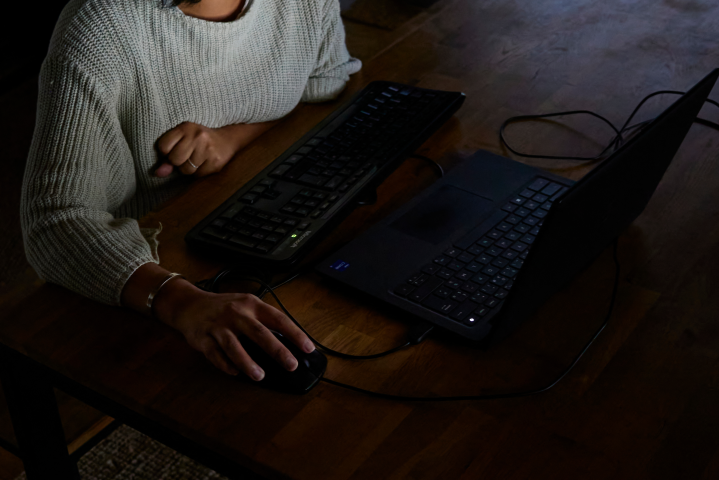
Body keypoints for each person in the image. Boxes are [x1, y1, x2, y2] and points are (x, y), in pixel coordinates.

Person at [20, 0, 361, 381]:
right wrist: (180, 302)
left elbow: (326, 82)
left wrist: (232, 138)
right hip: (155, 271)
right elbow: (54, 221)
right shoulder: (101, 25)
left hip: (275, 223)